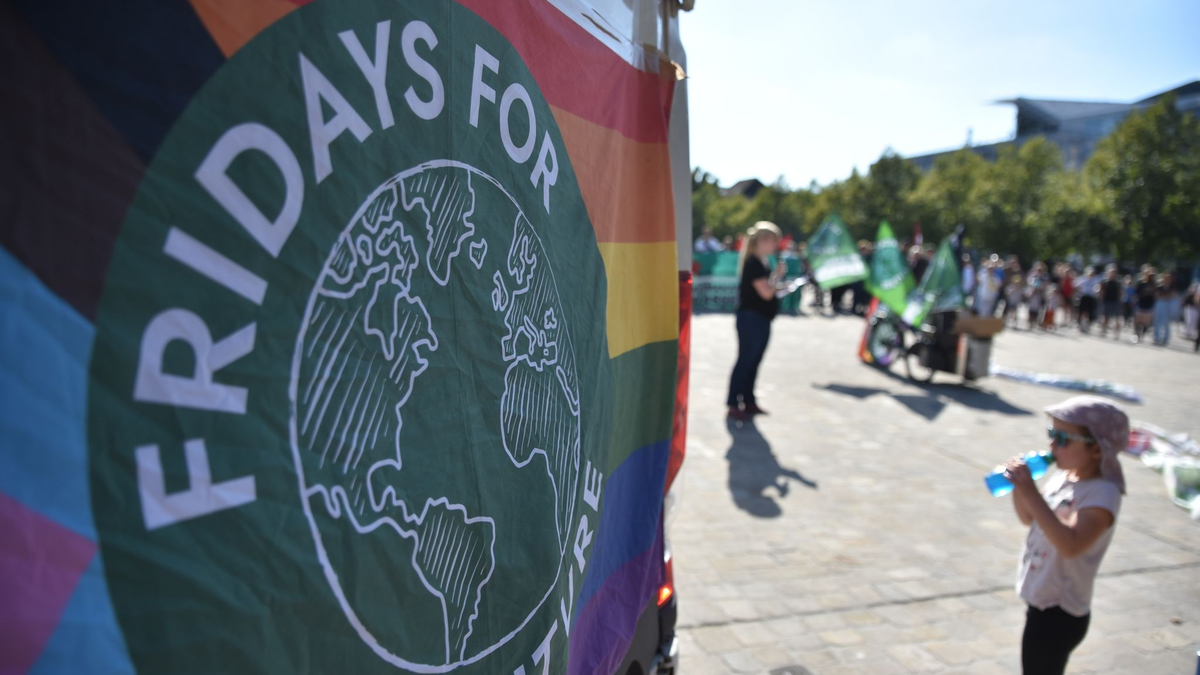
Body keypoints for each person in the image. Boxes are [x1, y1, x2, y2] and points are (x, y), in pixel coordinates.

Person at [1004, 396, 1128, 675]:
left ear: (1096, 449)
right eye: (1051, 434)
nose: (1052, 445)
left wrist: (1032, 493)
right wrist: (1022, 488)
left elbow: (1071, 545)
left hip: (1061, 612)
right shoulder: (1066, 476)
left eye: (1062, 438)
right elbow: (1029, 518)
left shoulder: (1102, 494)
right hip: (1042, 601)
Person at [727, 221, 784, 421]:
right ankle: (734, 402)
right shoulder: (753, 263)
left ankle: (748, 399)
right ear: (763, 241)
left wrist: (776, 279)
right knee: (745, 361)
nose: (776, 245)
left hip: (760, 318)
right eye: (774, 240)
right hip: (751, 318)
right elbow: (766, 293)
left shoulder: (762, 262)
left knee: (753, 362)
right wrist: (777, 279)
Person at [1152, 271, 1179, 346]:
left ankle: (1165, 338)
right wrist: (1166, 297)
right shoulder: (1160, 286)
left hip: (1168, 306)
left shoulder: (1173, 287)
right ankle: (1157, 337)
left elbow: (1171, 296)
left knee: (1166, 322)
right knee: (1157, 321)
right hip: (1160, 304)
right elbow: (1157, 296)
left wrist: (1164, 297)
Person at [1132, 266, 1157, 343]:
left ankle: (1142, 334)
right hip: (1140, 303)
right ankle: (1137, 335)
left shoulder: (1154, 284)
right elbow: (1136, 293)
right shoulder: (1141, 283)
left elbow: (1156, 295)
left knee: (1146, 323)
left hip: (1149, 304)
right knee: (1137, 321)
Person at [1099, 265, 1123, 339]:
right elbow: (1101, 292)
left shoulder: (1118, 283)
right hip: (1107, 301)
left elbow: (1120, 293)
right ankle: (1103, 331)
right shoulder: (1105, 282)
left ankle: (1116, 334)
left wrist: (1120, 301)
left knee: (1117, 318)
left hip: (1115, 302)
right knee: (1105, 318)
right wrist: (1101, 300)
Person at [1075, 267, 1099, 333]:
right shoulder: (1082, 279)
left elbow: (1098, 288)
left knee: (1091, 312)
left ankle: (1088, 325)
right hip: (1084, 297)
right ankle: (1080, 324)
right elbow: (1076, 286)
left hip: (1092, 297)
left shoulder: (1096, 280)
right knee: (1082, 311)